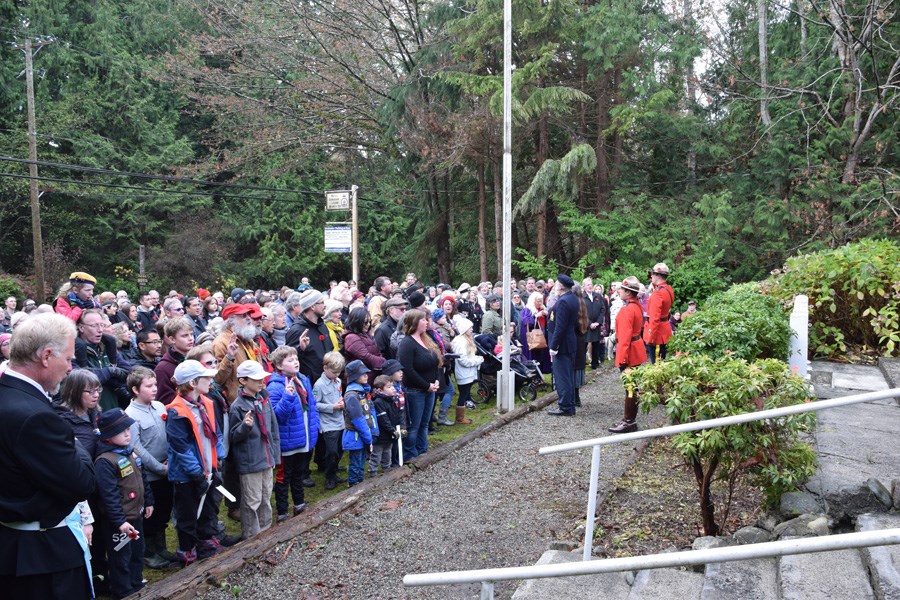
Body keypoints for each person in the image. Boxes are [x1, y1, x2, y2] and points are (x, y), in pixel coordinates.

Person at [0, 313, 96, 599]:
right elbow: (82, 482)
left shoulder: (10, 396)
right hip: (44, 556)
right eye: (67, 359)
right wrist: (72, 438)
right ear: (46, 356)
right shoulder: (37, 416)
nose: (70, 367)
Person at [166, 359, 224, 565]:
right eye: (206, 377)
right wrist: (196, 473)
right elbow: (180, 448)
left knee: (208, 507)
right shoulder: (176, 411)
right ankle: (187, 548)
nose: (210, 380)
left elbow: (216, 434)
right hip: (188, 475)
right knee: (187, 513)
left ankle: (206, 539)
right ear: (192, 383)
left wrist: (218, 462)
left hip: (208, 469)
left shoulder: (208, 403)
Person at [93, 408, 154, 599]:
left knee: (137, 551)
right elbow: (108, 495)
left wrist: (149, 501)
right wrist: (119, 521)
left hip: (135, 516)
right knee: (120, 557)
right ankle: (123, 590)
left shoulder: (130, 452)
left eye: (128, 429)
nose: (128, 433)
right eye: (122, 431)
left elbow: (143, 479)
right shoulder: (105, 461)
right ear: (109, 436)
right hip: (119, 524)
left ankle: (136, 582)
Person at [125, 367, 176, 569]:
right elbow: (137, 449)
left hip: (168, 467)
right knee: (150, 514)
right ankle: (148, 552)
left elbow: (169, 435)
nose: (155, 389)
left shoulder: (159, 406)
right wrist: (160, 468)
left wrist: (170, 463)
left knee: (165, 509)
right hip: (150, 475)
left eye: (155, 384)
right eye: (149, 386)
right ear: (135, 390)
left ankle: (161, 546)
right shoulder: (130, 415)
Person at [229, 361, 280, 540]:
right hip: (250, 462)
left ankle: (265, 532)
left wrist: (275, 455)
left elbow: (273, 429)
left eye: (262, 378)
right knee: (252, 501)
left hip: (266, 458)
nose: (261, 382)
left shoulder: (264, 399)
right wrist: (245, 427)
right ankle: (251, 536)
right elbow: (233, 437)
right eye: (256, 379)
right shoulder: (237, 407)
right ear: (243, 381)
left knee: (266, 496)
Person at [268, 346, 318, 521]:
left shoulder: (302, 380)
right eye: (290, 360)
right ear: (279, 366)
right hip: (287, 442)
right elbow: (276, 417)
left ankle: (299, 504)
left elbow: (311, 408)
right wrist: (287, 397)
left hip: (302, 438)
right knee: (283, 478)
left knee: (299, 474)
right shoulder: (275, 386)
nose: (296, 362)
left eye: (296, 359)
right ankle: (282, 512)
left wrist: (314, 428)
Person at [397, 309, 441, 459]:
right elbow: (408, 369)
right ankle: (410, 454)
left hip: (430, 389)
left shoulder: (426, 339)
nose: (426, 322)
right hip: (415, 390)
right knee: (414, 425)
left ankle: (423, 451)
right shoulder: (407, 343)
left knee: (424, 423)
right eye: (423, 320)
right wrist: (426, 385)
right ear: (415, 322)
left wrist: (435, 381)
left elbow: (434, 363)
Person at [609, 276, 649, 433]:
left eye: (622, 290)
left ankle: (628, 421)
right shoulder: (637, 306)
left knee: (630, 387)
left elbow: (624, 338)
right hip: (636, 349)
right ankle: (630, 419)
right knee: (633, 387)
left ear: (628, 292)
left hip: (630, 352)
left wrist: (623, 359)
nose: (619, 291)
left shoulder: (627, 310)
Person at [74, 309, 131, 411]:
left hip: (114, 410)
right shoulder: (73, 351)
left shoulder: (108, 347)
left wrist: (104, 375)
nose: (100, 330)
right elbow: (81, 379)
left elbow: (128, 372)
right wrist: (110, 372)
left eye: (102, 325)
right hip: (88, 414)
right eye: (94, 325)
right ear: (81, 327)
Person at [547, 274, 580, 416]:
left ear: (561, 286)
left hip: (562, 345)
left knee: (563, 377)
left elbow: (560, 327)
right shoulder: (572, 298)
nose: (554, 286)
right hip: (569, 343)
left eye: (556, 284)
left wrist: (553, 347)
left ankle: (566, 406)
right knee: (568, 375)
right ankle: (569, 403)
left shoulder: (563, 302)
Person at [313, 351, 346, 490]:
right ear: (325, 368)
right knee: (331, 451)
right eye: (334, 372)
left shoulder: (337, 381)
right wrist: (332, 407)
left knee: (340, 449)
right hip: (328, 424)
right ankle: (329, 477)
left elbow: (338, 394)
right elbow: (315, 404)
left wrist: (342, 403)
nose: (337, 375)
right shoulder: (319, 385)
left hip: (340, 421)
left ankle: (334, 470)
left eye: (339, 372)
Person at [341, 360, 376, 487]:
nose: (366, 375)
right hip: (355, 436)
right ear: (354, 377)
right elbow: (358, 420)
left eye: (366, 373)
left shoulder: (362, 392)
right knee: (356, 463)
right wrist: (368, 438)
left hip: (363, 435)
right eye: (362, 374)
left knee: (361, 462)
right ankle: (353, 485)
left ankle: (360, 484)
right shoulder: (352, 396)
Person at [285, 288, 332, 382]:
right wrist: (300, 348)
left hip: (328, 383)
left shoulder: (322, 326)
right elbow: (287, 360)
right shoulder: (297, 331)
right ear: (312, 306)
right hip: (310, 386)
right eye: (322, 302)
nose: (325, 305)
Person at [155, 316, 196, 405]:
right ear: (172, 339)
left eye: (191, 334)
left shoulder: (196, 358)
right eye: (184, 335)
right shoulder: (163, 368)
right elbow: (165, 401)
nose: (190, 338)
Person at [343, 306, 386, 384]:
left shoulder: (365, 334)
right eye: (365, 322)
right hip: (362, 379)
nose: (368, 324)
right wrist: (383, 361)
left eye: (369, 321)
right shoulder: (351, 337)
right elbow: (366, 357)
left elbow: (376, 352)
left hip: (371, 376)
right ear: (357, 321)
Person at [450, 317, 481, 422]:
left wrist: (476, 358)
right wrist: (478, 361)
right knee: (463, 395)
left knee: (465, 393)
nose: (472, 329)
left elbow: (469, 357)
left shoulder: (466, 340)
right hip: (464, 373)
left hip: (467, 373)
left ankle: (461, 417)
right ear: (464, 329)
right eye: (470, 328)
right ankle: (460, 418)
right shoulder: (461, 342)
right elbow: (463, 360)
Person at [369, 375, 401, 476]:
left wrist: (399, 427)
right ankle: (373, 471)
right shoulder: (378, 402)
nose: (393, 388)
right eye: (389, 387)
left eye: (392, 386)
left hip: (390, 434)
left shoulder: (392, 400)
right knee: (377, 453)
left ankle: (386, 469)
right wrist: (392, 430)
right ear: (380, 390)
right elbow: (384, 420)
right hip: (381, 434)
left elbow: (397, 415)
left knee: (388, 452)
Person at [643, 263, 674, 364]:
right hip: (664, 329)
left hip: (657, 334)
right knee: (662, 361)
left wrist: (650, 337)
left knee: (656, 365)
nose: (651, 276)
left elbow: (654, 318)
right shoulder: (668, 289)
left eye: (653, 274)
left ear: (658, 276)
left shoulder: (658, 293)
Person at [519, 291, 551, 374]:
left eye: (541, 301)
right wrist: (535, 316)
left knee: (541, 355)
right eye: (538, 301)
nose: (540, 303)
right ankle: (535, 374)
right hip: (533, 336)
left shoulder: (542, 308)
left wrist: (546, 314)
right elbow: (525, 322)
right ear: (533, 301)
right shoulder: (527, 309)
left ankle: (541, 373)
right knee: (535, 355)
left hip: (542, 334)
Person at [583, 278, 610, 368]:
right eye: (588, 285)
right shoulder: (582, 297)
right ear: (584, 287)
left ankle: (595, 363)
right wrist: (589, 323)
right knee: (584, 344)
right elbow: (581, 312)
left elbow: (603, 309)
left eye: (591, 284)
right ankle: (582, 363)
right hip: (586, 325)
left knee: (596, 344)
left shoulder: (597, 296)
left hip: (597, 325)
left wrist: (598, 322)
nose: (590, 286)